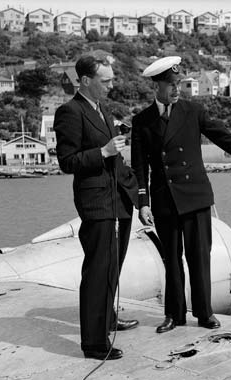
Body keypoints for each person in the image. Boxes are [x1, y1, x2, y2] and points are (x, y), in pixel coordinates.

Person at [132, 55, 231, 333]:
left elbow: (222, 135)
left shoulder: (193, 111)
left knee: (199, 257)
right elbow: (140, 167)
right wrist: (143, 203)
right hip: (165, 200)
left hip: (196, 197)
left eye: (178, 84)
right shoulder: (142, 121)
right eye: (171, 85)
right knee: (172, 260)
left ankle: (204, 313)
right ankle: (174, 315)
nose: (177, 90)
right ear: (156, 87)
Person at [54, 51, 139, 360]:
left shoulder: (101, 108)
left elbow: (114, 157)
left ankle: (108, 319)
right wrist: (102, 152)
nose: (111, 85)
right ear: (86, 81)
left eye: (112, 79)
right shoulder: (70, 112)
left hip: (120, 200)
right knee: (97, 272)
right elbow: (67, 161)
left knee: (112, 269)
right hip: (97, 203)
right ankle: (94, 343)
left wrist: (138, 196)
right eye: (106, 81)